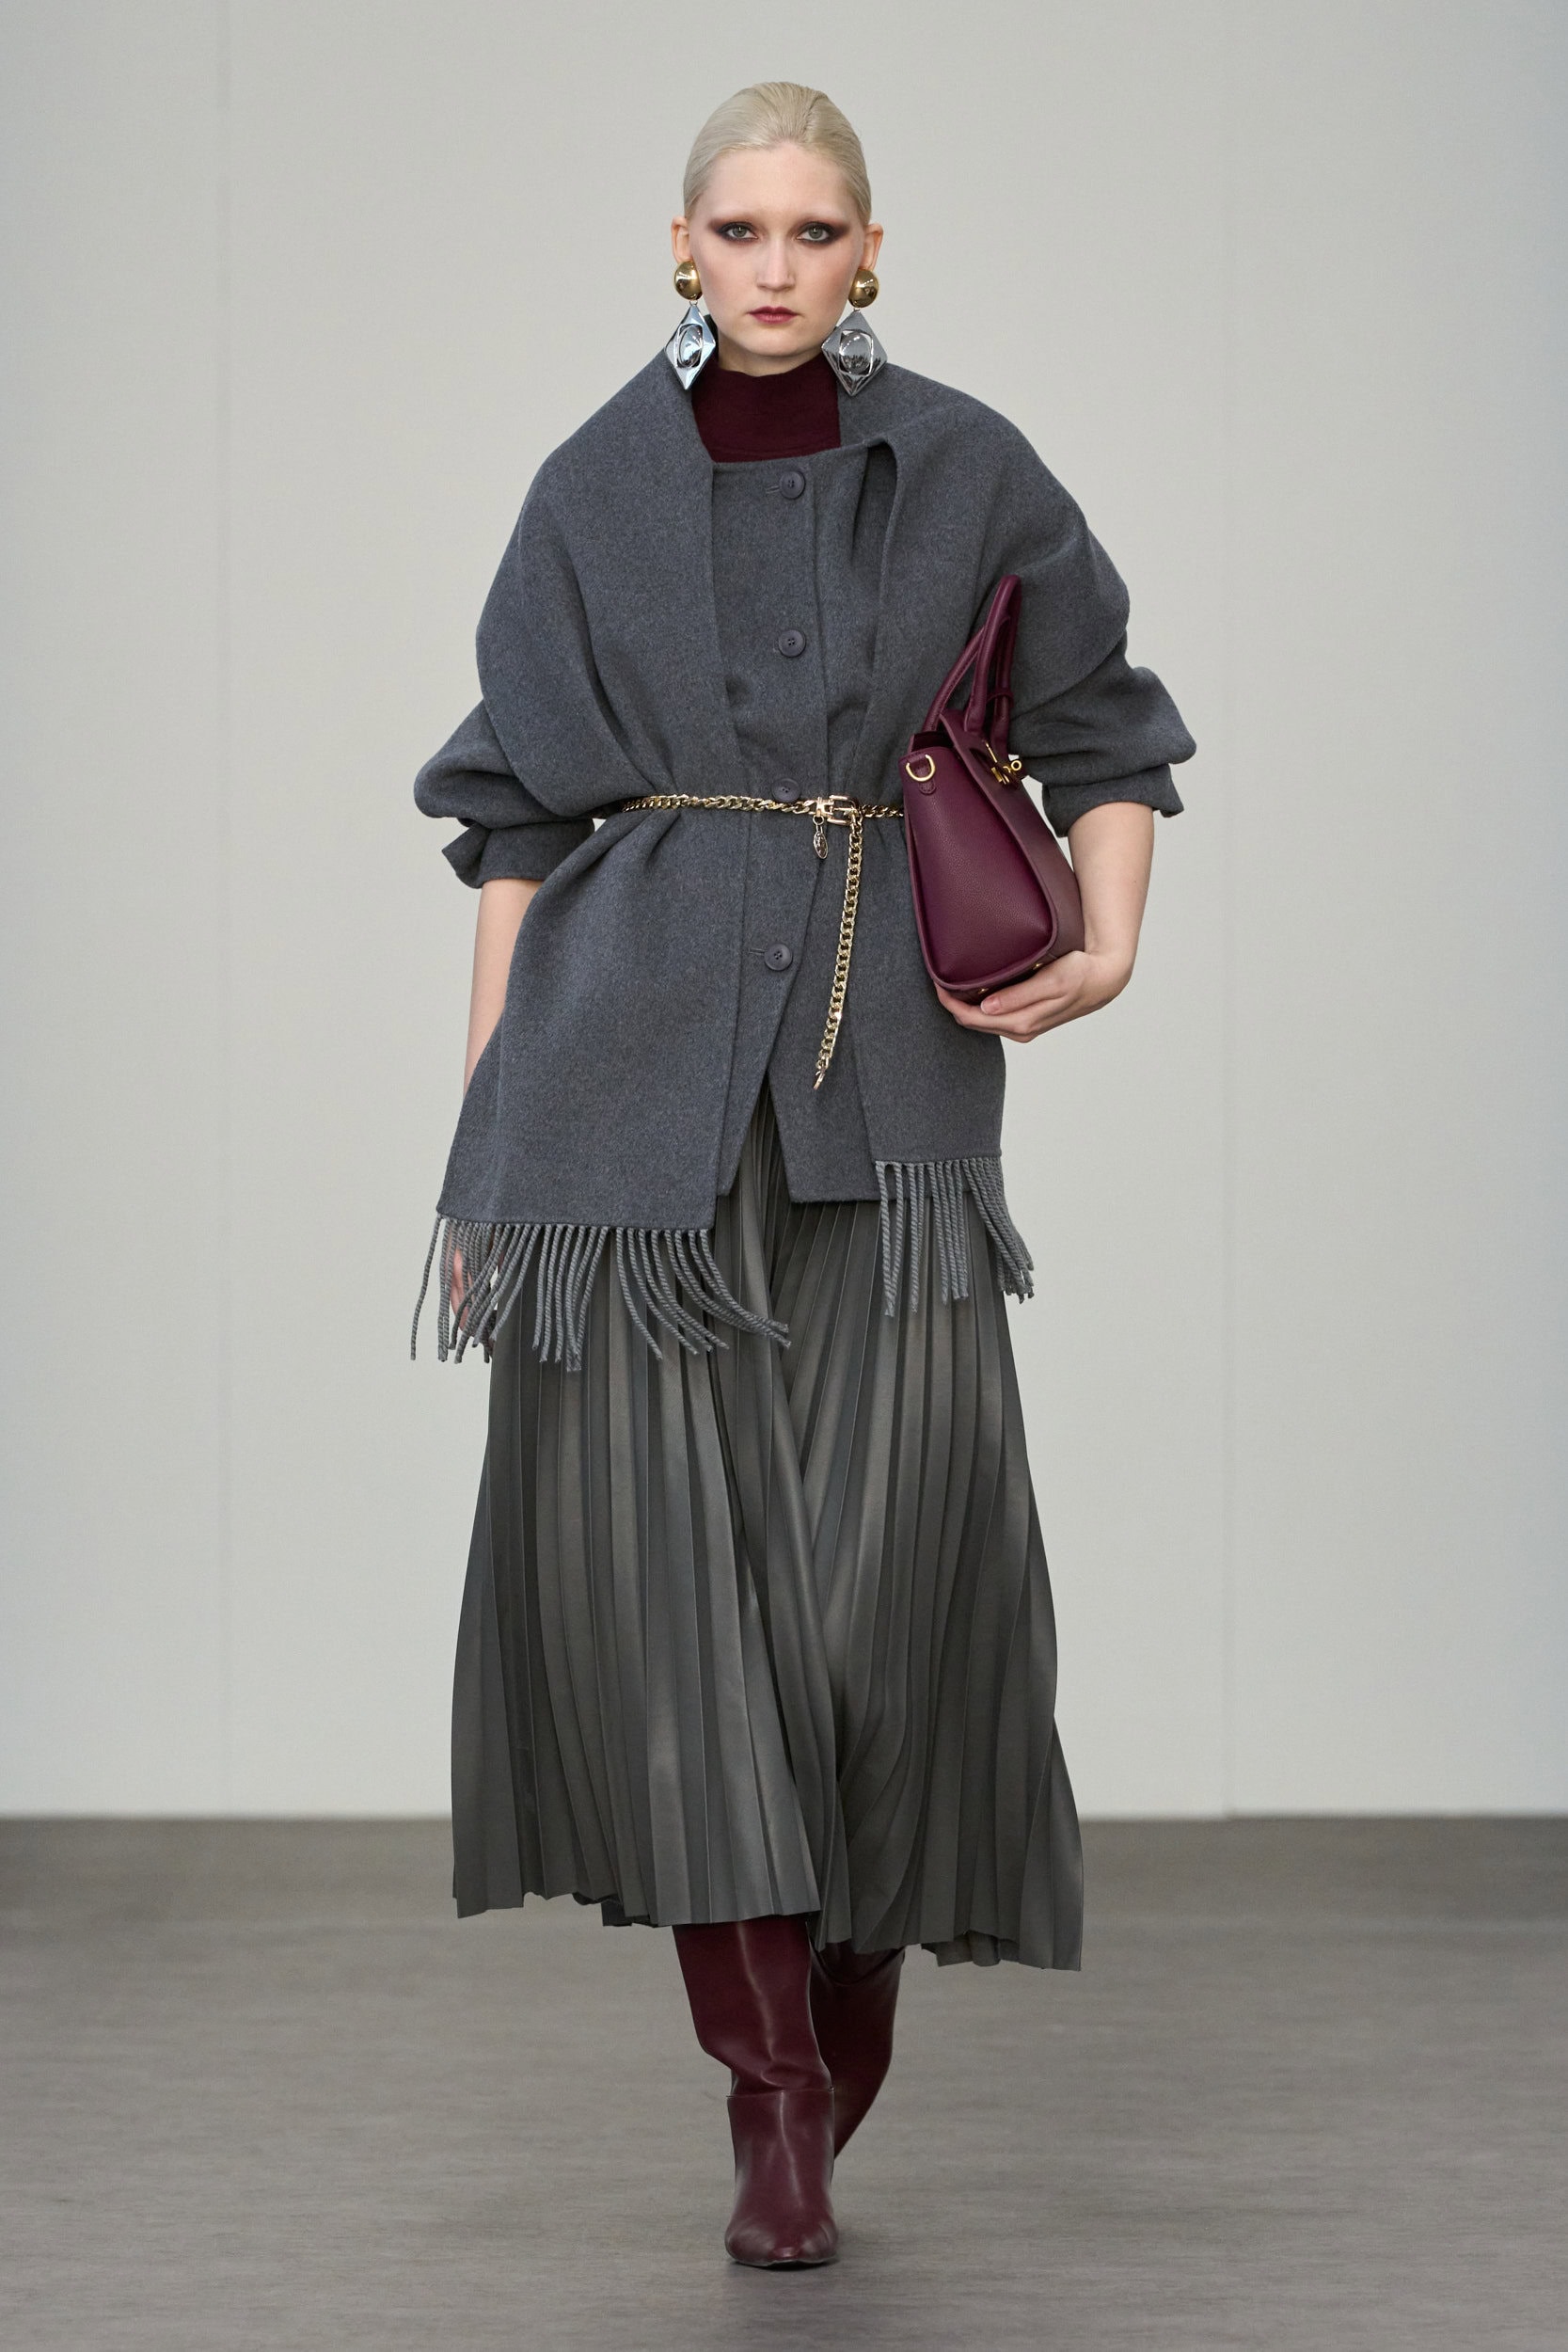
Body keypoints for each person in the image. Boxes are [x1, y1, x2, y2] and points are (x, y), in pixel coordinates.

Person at [412, 81, 1194, 2269]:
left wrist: (1112, 940)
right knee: (678, 1614)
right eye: (738, 228)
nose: (774, 265)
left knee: (881, 1617)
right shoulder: (590, 487)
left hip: (890, 1105)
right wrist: (487, 1144)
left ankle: (841, 2028)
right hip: (619, 1118)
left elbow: (1107, 726)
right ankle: (771, 2099)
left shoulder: (967, 467)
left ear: (870, 249)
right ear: (681, 245)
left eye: (814, 228)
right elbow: (514, 826)